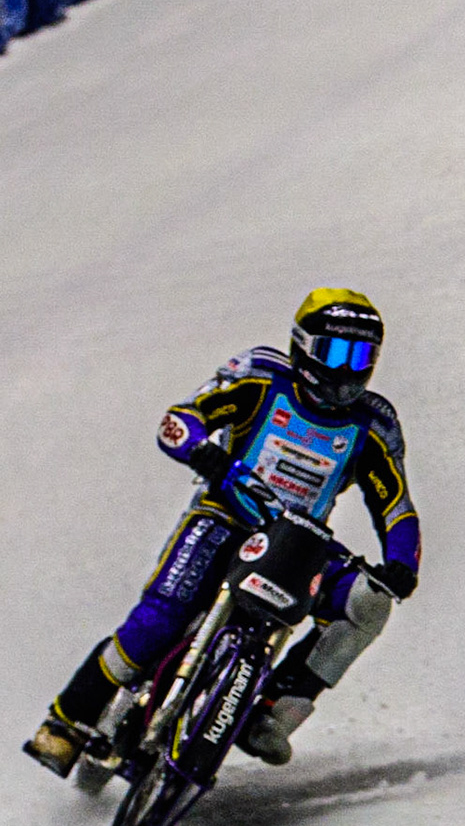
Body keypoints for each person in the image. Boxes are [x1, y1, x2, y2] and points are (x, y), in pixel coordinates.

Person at [22, 288, 421, 777]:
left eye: (362, 356)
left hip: (302, 542)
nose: (347, 370)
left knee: (368, 604)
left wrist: (402, 564)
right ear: (302, 346)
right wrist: (199, 448)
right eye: (336, 353)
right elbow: (181, 419)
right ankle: (66, 722)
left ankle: (278, 712)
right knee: (159, 618)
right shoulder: (259, 377)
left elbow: (395, 504)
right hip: (224, 515)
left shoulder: (374, 424)